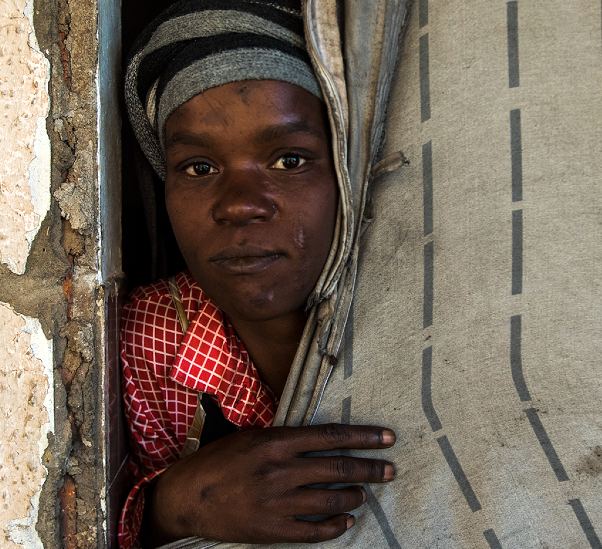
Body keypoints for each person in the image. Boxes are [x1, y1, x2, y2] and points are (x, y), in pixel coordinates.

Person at [120, 1, 397, 546]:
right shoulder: (151, 339)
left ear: (346, 172)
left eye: (289, 160)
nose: (240, 205)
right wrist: (175, 504)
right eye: (200, 169)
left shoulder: (422, 302)